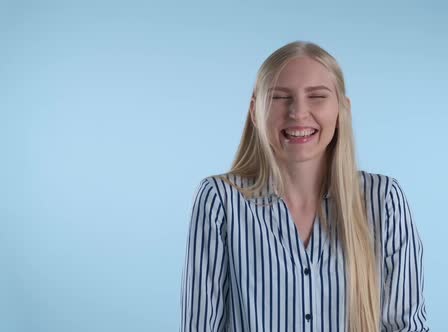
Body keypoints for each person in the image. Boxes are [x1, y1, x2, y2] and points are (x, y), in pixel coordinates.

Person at [180, 40, 429, 332]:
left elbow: (406, 326)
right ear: (255, 112)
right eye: (280, 97)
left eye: (317, 97)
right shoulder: (219, 201)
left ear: (342, 110)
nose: (298, 112)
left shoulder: (383, 200)